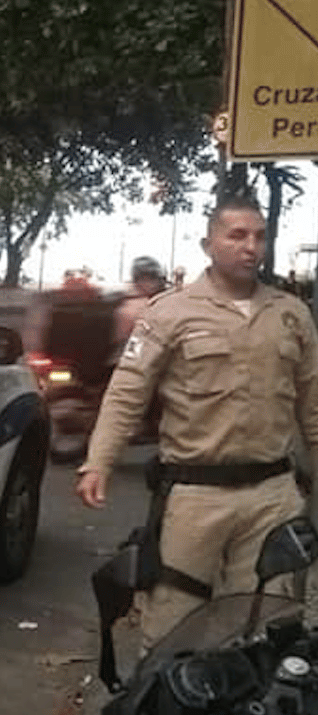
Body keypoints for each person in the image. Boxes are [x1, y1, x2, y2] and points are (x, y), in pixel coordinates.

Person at [76, 196, 318, 646]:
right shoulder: (169, 312)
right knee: (173, 626)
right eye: (237, 235)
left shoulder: (291, 314)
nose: (252, 247)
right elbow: (128, 392)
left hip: (273, 495)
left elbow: (313, 407)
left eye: (259, 237)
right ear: (209, 244)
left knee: (268, 625)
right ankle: (169, 713)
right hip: (195, 496)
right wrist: (99, 462)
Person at [112, 255, 167, 351]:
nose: (154, 283)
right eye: (148, 278)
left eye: (154, 277)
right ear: (138, 280)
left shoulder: (164, 301)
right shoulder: (131, 308)